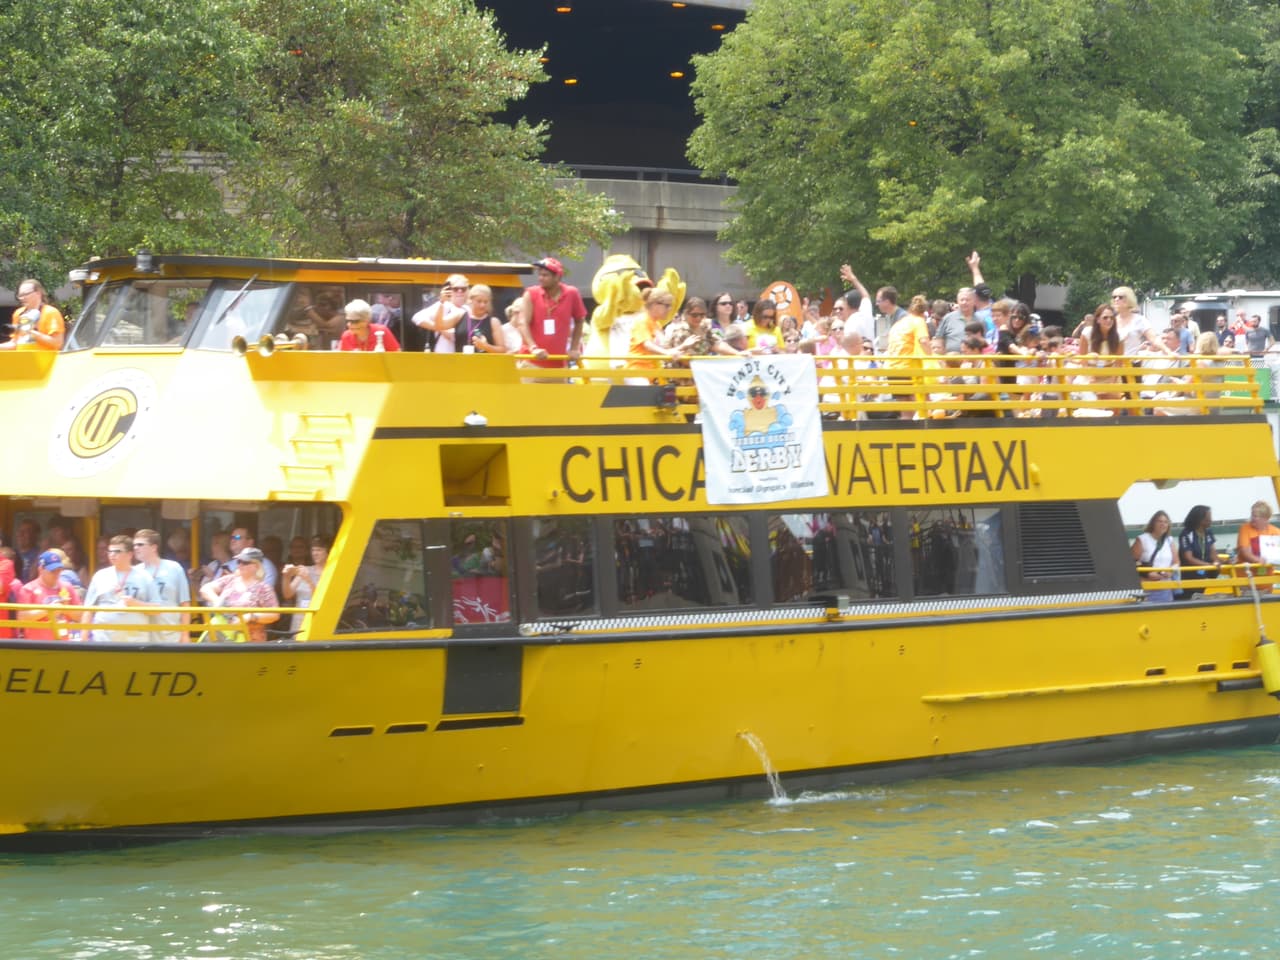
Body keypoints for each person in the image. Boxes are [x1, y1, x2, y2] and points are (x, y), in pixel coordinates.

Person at [83, 534, 161, 642]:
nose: (112, 555)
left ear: (129, 554)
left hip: (135, 640)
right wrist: (84, 637)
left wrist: (135, 604)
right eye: (110, 551)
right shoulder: (100, 575)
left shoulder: (144, 576)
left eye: (117, 551)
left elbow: (157, 609)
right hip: (103, 639)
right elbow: (88, 609)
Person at [516, 257, 587, 367]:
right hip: (531, 361)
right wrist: (533, 348)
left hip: (559, 362)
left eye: (545, 275)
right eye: (539, 274)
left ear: (557, 277)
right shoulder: (531, 293)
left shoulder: (571, 293)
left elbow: (580, 320)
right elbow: (522, 323)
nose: (540, 278)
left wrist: (574, 348)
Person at [199, 547, 280, 643]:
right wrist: (217, 601)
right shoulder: (229, 579)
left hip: (249, 639)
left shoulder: (263, 588)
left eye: (245, 562)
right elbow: (205, 589)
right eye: (239, 561)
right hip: (220, 635)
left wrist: (250, 617)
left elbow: (274, 614)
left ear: (256, 566)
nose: (240, 565)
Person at [131, 529, 192, 643]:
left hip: (170, 633)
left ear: (154, 547)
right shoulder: (134, 571)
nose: (135, 548)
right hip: (142, 635)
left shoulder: (174, 568)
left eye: (140, 544)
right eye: (134, 545)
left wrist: (185, 634)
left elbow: (185, 603)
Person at [15, 550, 83, 640]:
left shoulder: (67, 587)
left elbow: (81, 616)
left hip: (63, 644)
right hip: (37, 646)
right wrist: (48, 610)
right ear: (41, 569)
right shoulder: (29, 589)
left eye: (59, 570)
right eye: (52, 571)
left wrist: (65, 609)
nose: (56, 574)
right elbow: (21, 618)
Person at [281, 535, 330, 636]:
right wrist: (286, 577)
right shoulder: (304, 569)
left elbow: (322, 599)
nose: (315, 553)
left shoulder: (331, 573)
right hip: (299, 621)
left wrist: (309, 580)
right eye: (313, 550)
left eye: (319, 550)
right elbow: (288, 594)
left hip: (317, 621)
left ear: (327, 552)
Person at [0, 279, 64, 351]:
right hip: (24, 358)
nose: (22, 298)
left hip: (45, 359)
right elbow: (15, 344)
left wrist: (31, 333)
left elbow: (57, 343)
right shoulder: (18, 313)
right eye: (20, 295)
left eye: (26, 294)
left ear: (38, 293)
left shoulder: (51, 312)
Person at [1131, 511, 1179, 603]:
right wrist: (1147, 573)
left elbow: (1176, 562)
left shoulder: (1169, 540)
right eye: (1159, 521)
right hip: (1147, 587)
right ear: (1153, 523)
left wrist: (1170, 571)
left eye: (1165, 522)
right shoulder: (1142, 539)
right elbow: (1131, 562)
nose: (1163, 524)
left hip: (1165, 587)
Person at [412, 275, 468, 353]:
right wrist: (440, 328)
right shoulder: (442, 306)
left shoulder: (468, 310)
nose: (460, 291)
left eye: (463, 289)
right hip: (443, 356)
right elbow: (417, 317)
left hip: (461, 358)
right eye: (455, 289)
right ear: (448, 290)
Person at [1178, 505, 1219, 598]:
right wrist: (1208, 565)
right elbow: (1189, 558)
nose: (1211, 520)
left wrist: (1218, 562)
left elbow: (1213, 554)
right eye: (1208, 518)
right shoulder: (1186, 534)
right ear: (1200, 520)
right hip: (1189, 577)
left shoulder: (1208, 532)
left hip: (1204, 576)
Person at [457, 284, 504, 354]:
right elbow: (440, 325)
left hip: (483, 363)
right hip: (459, 363)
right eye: (479, 301)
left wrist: (485, 346)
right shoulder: (460, 316)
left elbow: (502, 350)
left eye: (485, 302)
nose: (482, 305)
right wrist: (442, 302)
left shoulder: (493, 322)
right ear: (471, 300)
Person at [1236, 501, 1280, 565]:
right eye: (1252, 515)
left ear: (1265, 518)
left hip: (1267, 572)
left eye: (1255, 516)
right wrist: (1258, 560)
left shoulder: (1276, 531)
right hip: (1246, 571)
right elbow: (1244, 552)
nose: (1251, 518)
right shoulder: (1245, 528)